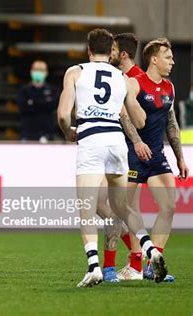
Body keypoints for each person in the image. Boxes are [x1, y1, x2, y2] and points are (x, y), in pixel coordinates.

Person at [57, 28, 167, 287]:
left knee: (87, 208)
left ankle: (94, 266)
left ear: (88, 50)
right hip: (117, 143)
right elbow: (139, 120)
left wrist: (68, 133)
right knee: (123, 207)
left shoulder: (76, 72)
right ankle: (151, 251)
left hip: (91, 141)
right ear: (111, 52)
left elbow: (63, 114)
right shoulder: (124, 78)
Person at [119, 38, 189, 281]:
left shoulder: (169, 87)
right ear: (154, 59)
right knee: (123, 211)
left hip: (157, 156)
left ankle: (153, 262)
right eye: (168, 57)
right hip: (132, 155)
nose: (172, 62)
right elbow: (124, 116)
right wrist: (137, 142)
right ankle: (133, 261)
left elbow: (171, 123)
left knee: (169, 207)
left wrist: (180, 157)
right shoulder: (134, 84)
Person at [96, 32, 145, 282]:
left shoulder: (135, 80)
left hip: (126, 154)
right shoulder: (118, 77)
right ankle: (138, 256)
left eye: (113, 50)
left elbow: (139, 119)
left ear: (122, 54)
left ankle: (116, 267)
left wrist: (138, 141)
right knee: (101, 206)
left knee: (117, 209)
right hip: (112, 149)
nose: (109, 53)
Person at [16, 60, 60, 141]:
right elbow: (22, 108)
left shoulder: (53, 90)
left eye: (41, 70)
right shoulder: (23, 90)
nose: (38, 72)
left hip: (48, 134)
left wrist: (32, 102)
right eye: (36, 69)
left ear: (46, 73)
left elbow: (53, 106)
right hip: (27, 133)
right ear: (31, 71)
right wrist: (44, 103)